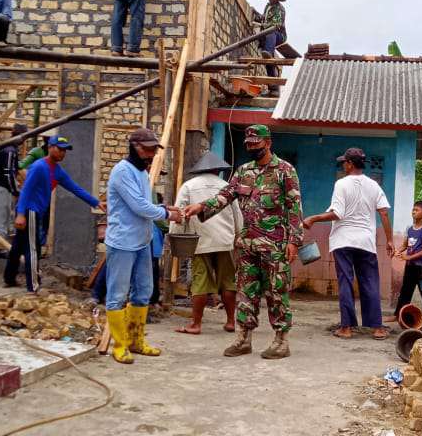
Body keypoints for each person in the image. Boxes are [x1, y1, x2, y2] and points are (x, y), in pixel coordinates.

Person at [184, 124, 303, 360]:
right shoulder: (243, 171)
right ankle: (243, 339)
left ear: (267, 143)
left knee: (276, 293)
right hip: (247, 246)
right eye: (247, 144)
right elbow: (225, 196)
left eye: (255, 144)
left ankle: (281, 340)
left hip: (275, 246)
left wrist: (294, 242)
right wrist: (200, 207)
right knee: (246, 293)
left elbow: (294, 207)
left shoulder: (284, 171)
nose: (250, 148)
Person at [105, 128, 183, 364]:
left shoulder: (141, 172)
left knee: (144, 292)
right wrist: (168, 215)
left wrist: (166, 208)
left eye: (153, 150)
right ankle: (119, 345)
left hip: (142, 241)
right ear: (134, 147)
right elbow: (139, 206)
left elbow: (147, 203)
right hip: (122, 242)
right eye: (147, 149)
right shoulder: (122, 172)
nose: (151, 154)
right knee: (117, 295)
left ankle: (136, 340)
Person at [303, 148, 394, 340]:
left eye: (344, 162)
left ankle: (346, 328)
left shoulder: (341, 184)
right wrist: (390, 240)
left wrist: (313, 218)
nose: (343, 165)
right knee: (370, 283)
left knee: (345, 281)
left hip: (343, 241)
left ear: (350, 164)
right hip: (366, 242)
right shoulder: (374, 185)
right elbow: (384, 213)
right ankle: (377, 328)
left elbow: (338, 213)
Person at [4, 136, 105, 291]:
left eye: (65, 150)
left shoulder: (57, 171)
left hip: (35, 210)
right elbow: (26, 190)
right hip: (29, 210)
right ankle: (34, 286)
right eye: (60, 149)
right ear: (50, 147)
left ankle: (9, 278)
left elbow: (75, 188)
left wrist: (95, 202)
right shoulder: (38, 166)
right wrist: (20, 213)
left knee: (18, 245)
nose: (62, 153)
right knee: (33, 248)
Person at [172, 152, 242, 335]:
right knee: (228, 282)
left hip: (199, 240)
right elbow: (238, 216)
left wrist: (175, 236)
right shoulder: (227, 187)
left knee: (200, 282)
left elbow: (179, 214)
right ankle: (230, 322)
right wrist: (238, 236)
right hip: (225, 241)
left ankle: (196, 324)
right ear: (218, 170)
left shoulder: (188, 186)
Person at [386, 201, 422, 322]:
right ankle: (397, 316)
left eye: (417, 210)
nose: (413, 212)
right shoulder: (409, 228)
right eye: (413, 209)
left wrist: (408, 257)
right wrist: (397, 251)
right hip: (410, 266)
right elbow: (405, 245)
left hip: (421, 268)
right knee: (405, 291)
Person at [0, 123, 27, 242]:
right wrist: (15, 190)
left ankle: (0, 245)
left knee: (1, 217)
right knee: (1, 218)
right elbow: (8, 173)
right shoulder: (10, 150)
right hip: (0, 187)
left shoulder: (6, 147)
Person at [254, 0, 287, 96]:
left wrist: (262, 25)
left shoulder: (280, 9)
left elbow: (276, 25)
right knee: (268, 62)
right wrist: (258, 18)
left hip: (278, 35)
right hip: (267, 36)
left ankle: (268, 51)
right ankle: (273, 87)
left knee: (270, 32)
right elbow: (264, 18)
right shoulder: (267, 6)